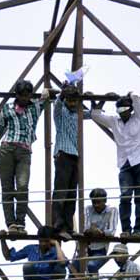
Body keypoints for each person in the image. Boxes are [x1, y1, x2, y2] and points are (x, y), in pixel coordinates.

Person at [0, 80, 49, 234]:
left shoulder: (36, 106)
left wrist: (47, 90)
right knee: (7, 189)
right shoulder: (7, 108)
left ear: (30, 95)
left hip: (24, 151)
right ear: (17, 95)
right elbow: (0, 128)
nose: (24, 98)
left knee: (22, 187)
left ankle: (20, 222)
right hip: (7, 149)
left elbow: (48, 94)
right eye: (21, 95)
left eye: (27, 95)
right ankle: (11, 223)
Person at [90, 93, 140, 238]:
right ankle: (126, 230)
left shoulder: (138, 118)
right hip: (125, 163)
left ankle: (138, 230)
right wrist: (104, 98)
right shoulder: (114, 121)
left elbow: (136, 98)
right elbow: (95, 115)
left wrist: (128, 95)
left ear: (130, 110)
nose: (122, 114)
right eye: (120, 111)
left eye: (125, 110)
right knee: (125, 196)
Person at [51, 84, 92, 236]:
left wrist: (92, 100)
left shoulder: (79, 113)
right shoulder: (60, 113)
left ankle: (68, 226)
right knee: (61, 191)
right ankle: (57, 223)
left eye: (75, 101)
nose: (72, 103)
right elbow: (57, 105)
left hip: (74, 155)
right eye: (70, 100)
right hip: (63, 153)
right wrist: (62, 94)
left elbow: (94, 114)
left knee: (71, 194)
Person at [66, 189, 118, 280]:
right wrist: (95, 231)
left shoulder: (112, 210)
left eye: (99, 202)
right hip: (85, 248)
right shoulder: (88, 209)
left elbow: (111, 231)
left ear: (105, 200)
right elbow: (85, 229)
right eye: (94, 202)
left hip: (100, 249)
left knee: (92, 266)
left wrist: (98, 231)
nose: (96, 205)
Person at [0, 226, 68, 280]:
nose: (43, 244)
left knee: (61, 269)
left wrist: (56, 244)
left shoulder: (55, 252)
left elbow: (63, 262)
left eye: (46, 241)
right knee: (28, 266)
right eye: (41, 241)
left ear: (50, 241)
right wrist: (2, 240)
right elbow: (9, 257)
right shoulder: (31, 249)